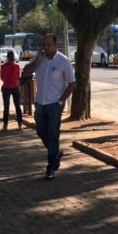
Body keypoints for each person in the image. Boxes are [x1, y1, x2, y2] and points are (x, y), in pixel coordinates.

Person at [22, 33, 76, 180]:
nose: (45, 48)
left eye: (48, 45)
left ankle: (51, 167)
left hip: (54, 104)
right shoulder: (40, 59)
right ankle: (56, 153)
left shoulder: (63, 61)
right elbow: (25, 73)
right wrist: (38, 60)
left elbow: (72, 83)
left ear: (56, 45)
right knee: (40, 131)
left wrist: (61, 101)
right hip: (40, 103)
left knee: (53, 135)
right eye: (44, 45)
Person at [0, 50, 23, 131]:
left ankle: (5, 126)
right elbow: (18, 77)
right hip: (15, 87)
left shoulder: (3, 66)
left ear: (7, 57)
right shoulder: (17, 66)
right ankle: (20, 125)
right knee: (17, 107)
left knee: (6, 107)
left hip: (6, 87)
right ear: (13, 57)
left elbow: (2, 78)